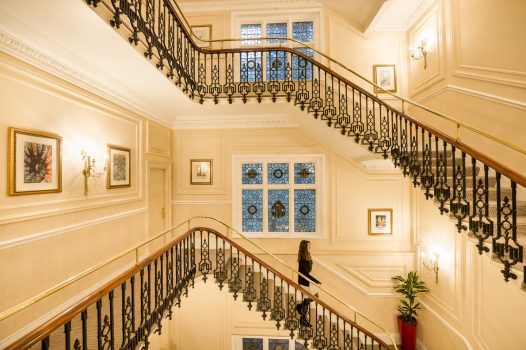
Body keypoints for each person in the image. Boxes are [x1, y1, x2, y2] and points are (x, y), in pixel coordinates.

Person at [296, 240, 321, 326]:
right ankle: (303, 319)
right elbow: (305, 273)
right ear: (304, 247)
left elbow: (308, 272)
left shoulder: (307, 257)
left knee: (313, 297)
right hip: (303, 281)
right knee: (309, 298)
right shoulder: (303, 259)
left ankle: (299, 307)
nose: (310, 247)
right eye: (308, 246)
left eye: (310, 246)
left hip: (306, 281)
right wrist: (317, 282)